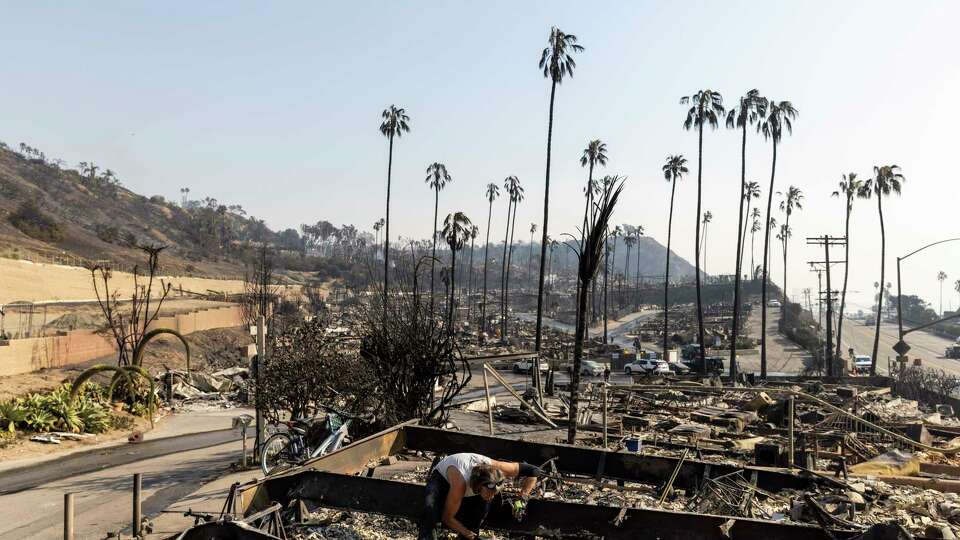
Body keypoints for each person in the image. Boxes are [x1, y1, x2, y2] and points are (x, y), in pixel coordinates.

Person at [417, 452, 542, 540]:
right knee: (430, 508)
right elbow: (447, 518)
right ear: (480, 486)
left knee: (481, 510)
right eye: (490, 493)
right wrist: (473, 537)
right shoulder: (460, 483)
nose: (492, 496)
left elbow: (533, 472)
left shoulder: (498, 468)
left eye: (495, 493)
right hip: (443, 477)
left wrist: (522, 498)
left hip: (476, 483)